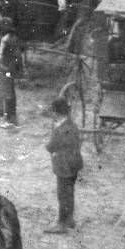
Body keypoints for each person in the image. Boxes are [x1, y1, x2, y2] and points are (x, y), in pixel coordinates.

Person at [45, 95, 83, 233]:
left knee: (62, 194)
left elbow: (51, 146)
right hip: (74, 165)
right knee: (69, 192)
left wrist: (48, 144)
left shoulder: (59, 129)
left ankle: (61, 224)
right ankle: (69, 219)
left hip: (64, 166)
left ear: (56, 113)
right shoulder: (72, 125)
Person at [0, 17, 23, 124]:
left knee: (8, 93)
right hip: (6, 69)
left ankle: (10, 119)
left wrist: (9, 68)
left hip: (7, 70)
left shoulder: (8, 40)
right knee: (8, 92)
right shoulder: (10, 38)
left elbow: (16, 56)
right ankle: (9, 117)